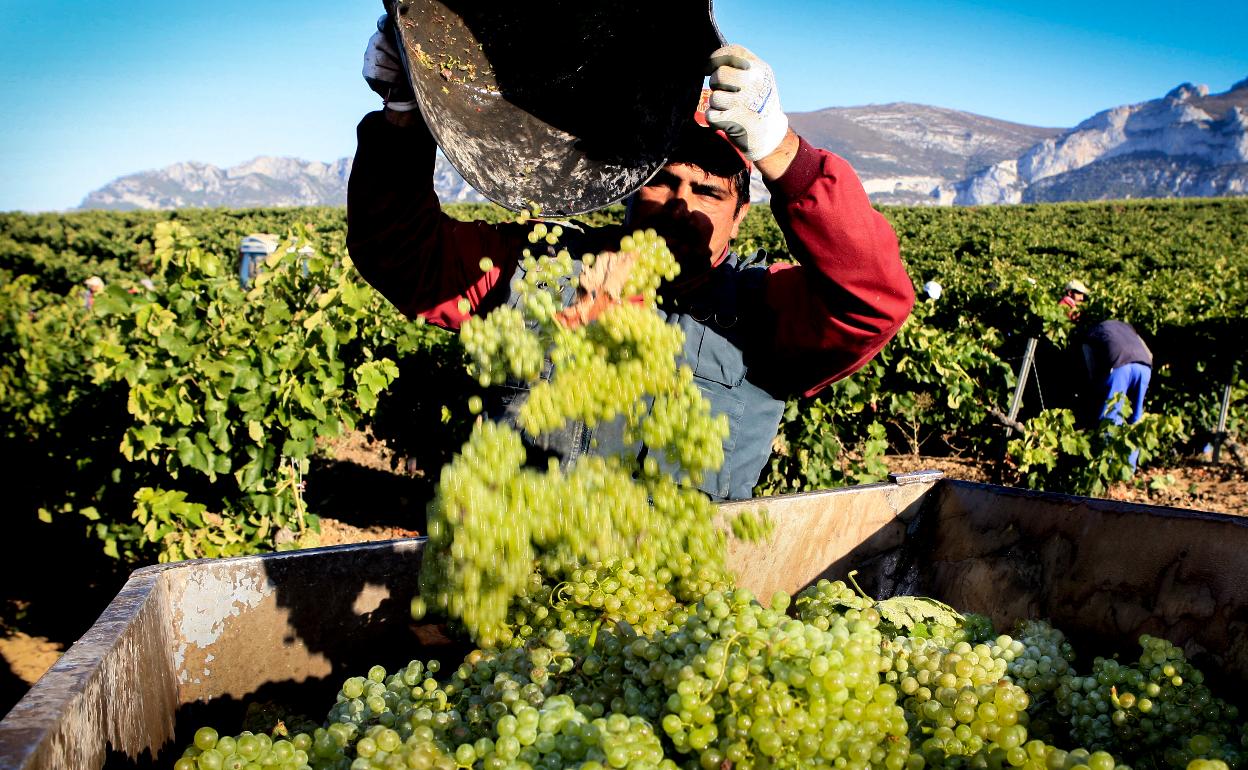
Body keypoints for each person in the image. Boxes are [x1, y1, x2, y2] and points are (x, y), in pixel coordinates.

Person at [347, 20, 915, 500]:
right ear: (627, 189)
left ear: (740, 215)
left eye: (708, 192)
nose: (680, 204)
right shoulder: (539, 266)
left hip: (669, 618)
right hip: (514, 592)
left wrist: (783, 153)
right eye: (662, 182)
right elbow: (401, 253)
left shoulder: (764, 313)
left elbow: (871, 300)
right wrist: (403, 117)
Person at [1079, 319, 1154, 468]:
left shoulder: (1090, 334)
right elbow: (1150, 354)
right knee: (1135, 419)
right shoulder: (1128, 328)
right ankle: (1129, 469)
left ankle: (1109, 467)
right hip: (1145, 367)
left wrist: (1096, 390)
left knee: (1110, 418)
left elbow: (1091, 368)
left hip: (1120, 366)